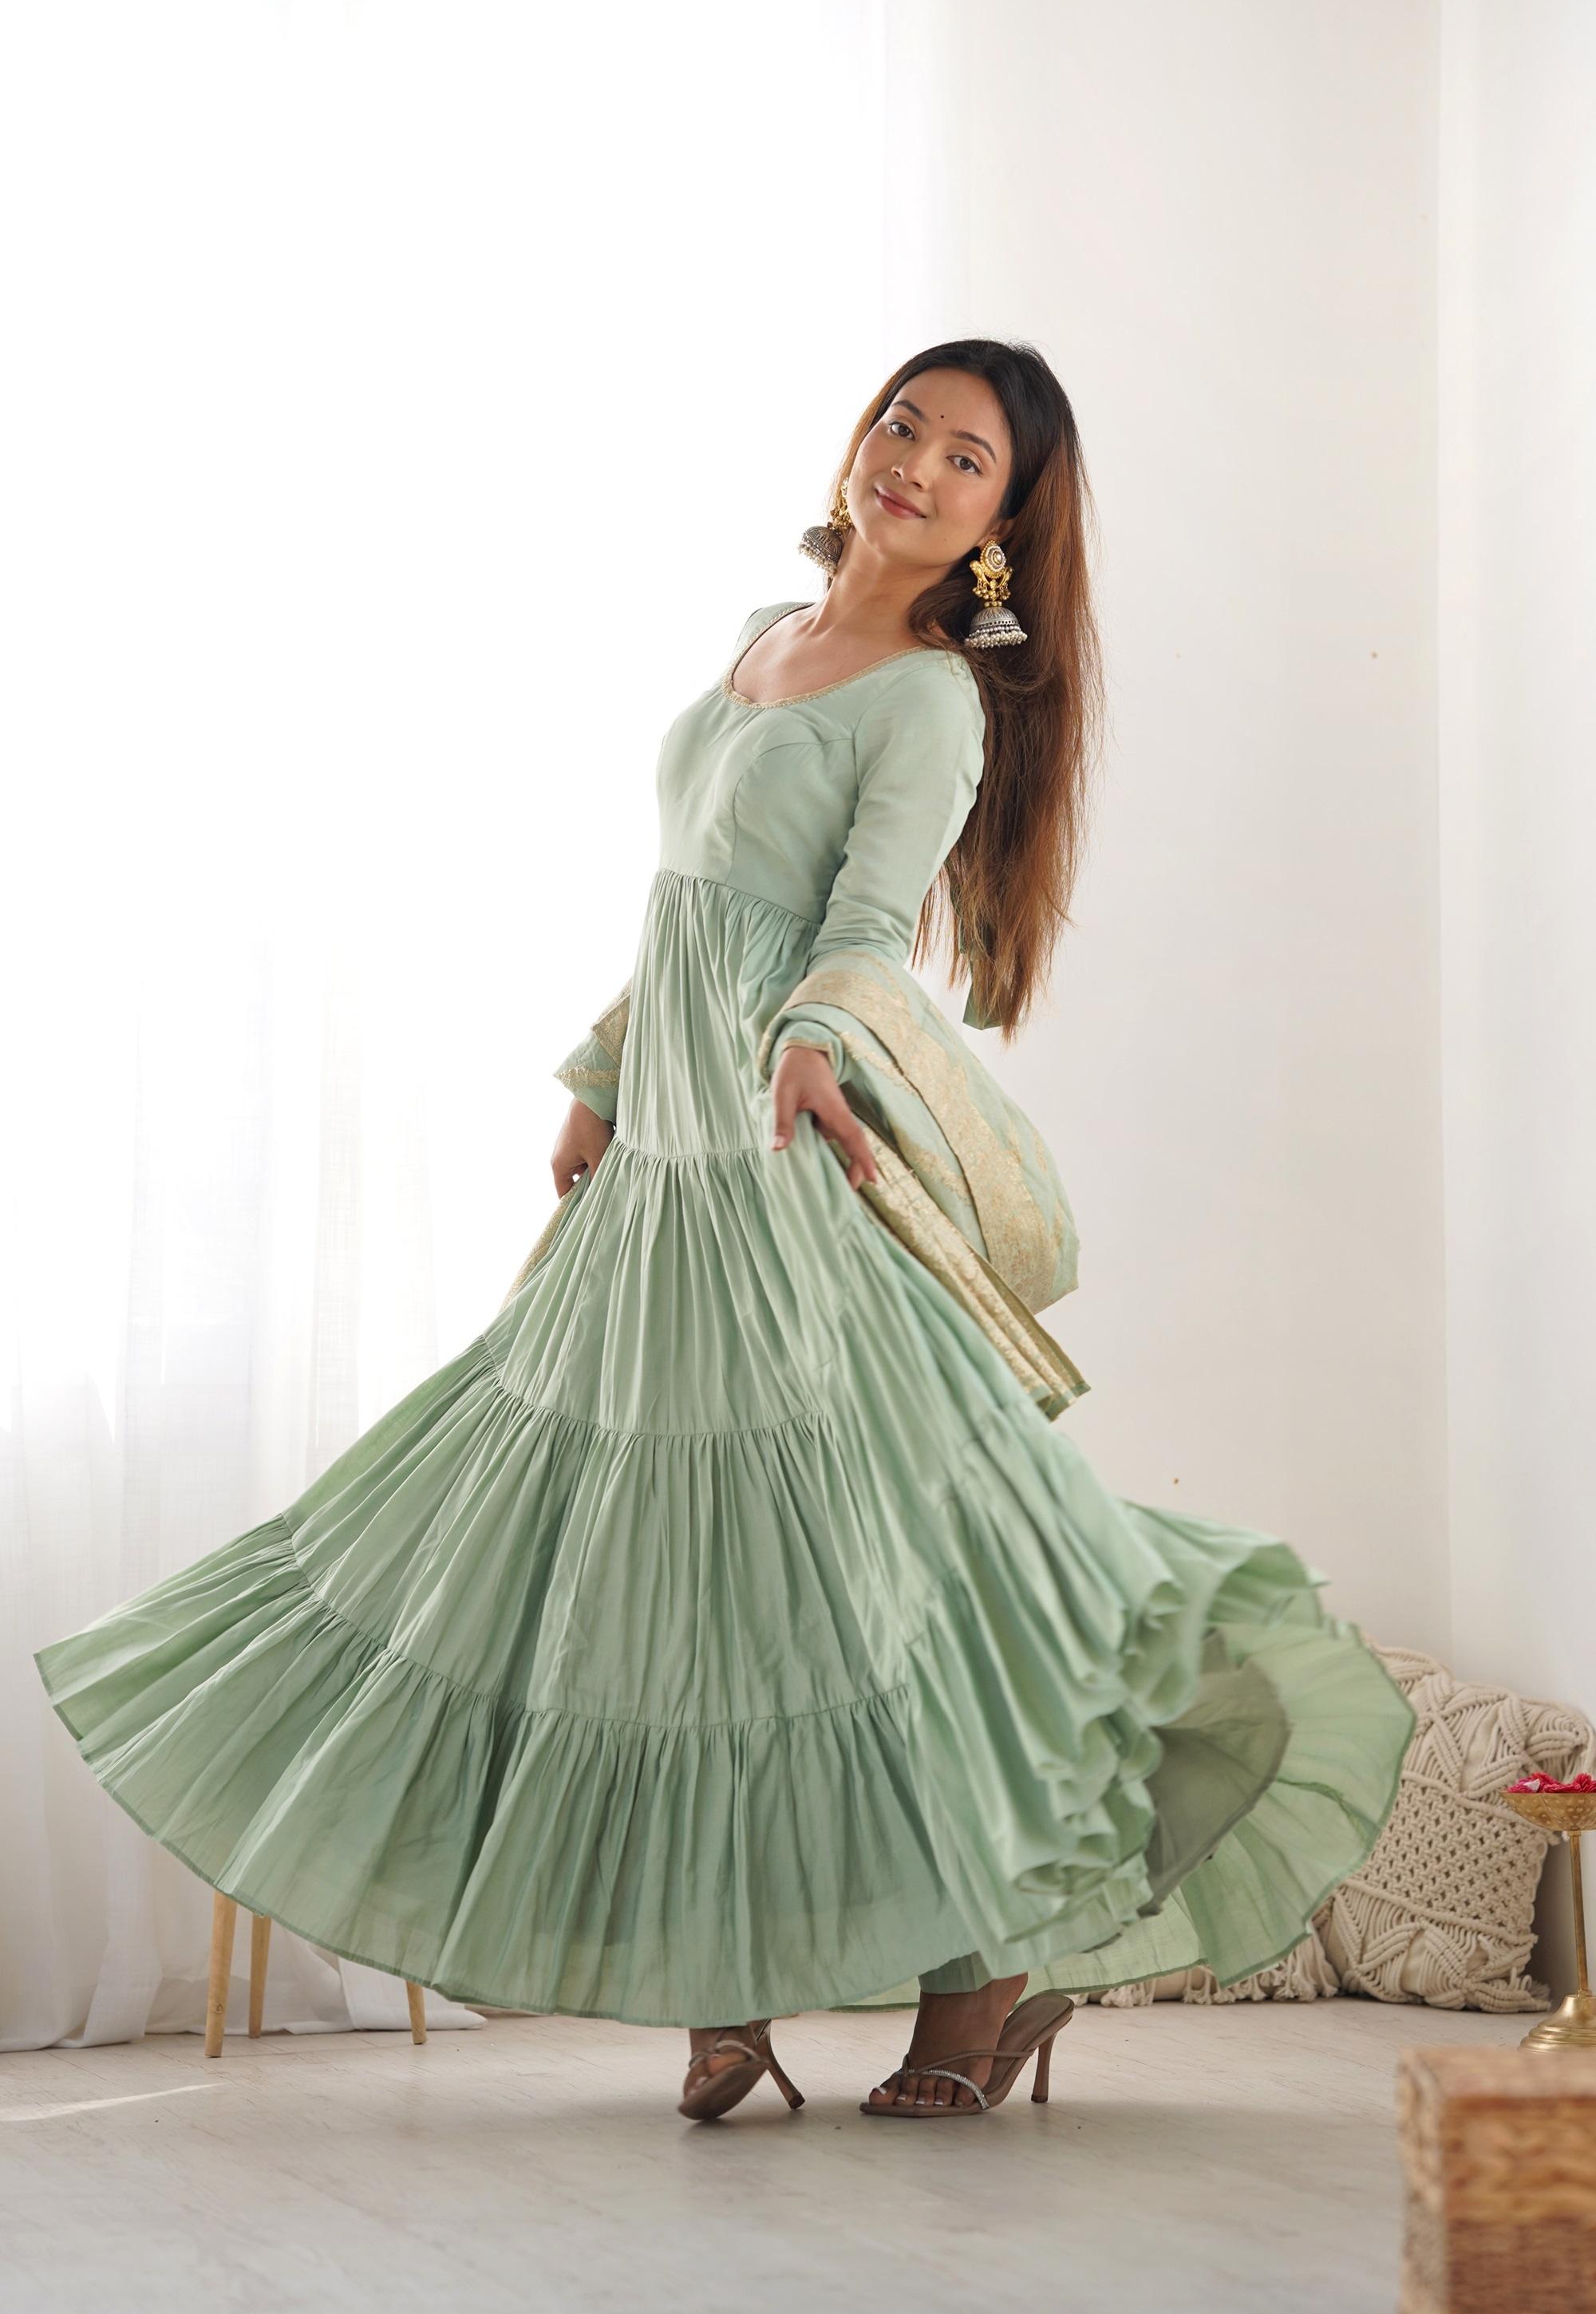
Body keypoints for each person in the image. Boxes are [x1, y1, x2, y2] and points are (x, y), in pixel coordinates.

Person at [35, 338, 1414, 2125]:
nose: (915, 463)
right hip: (666, 1165)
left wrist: (816, 1038)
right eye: (904, 424)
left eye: (967, 459)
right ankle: (726, 1981)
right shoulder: (764, 636)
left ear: (1004, 524)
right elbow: (688, 895)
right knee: (677, 1579)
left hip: (780, 1157)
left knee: (886, 1573)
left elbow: (862, 924)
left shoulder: (930, 697)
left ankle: (982, 1983)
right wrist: (604, 1072)